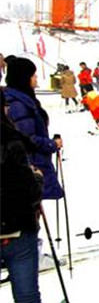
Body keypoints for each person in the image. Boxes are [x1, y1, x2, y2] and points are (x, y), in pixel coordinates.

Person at [0, 88, 55, 303]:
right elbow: (27, 190)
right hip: (17, 229)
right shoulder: (10, 140)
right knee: (28, 296)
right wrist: (37, 179)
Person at [5, 57, 64, 200]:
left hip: (33, 163)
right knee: (30, 206)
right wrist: (51, 144)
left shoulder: (22, 98)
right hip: (29, 165)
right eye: (33, 75)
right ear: (24, 77)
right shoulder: (17, 103)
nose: (36, 78)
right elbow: (26, 138)